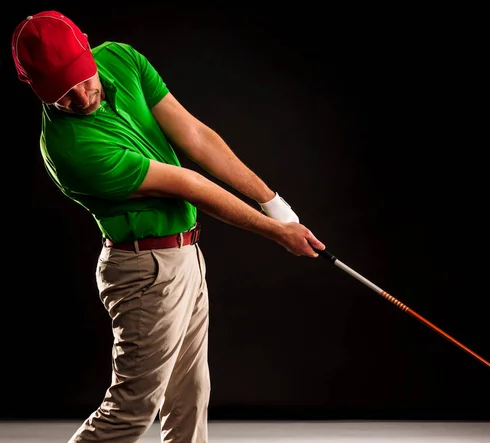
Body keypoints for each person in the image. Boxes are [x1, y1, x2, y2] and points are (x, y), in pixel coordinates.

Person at [12, 10, 326, 443]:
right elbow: (189, 184)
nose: (81, 98)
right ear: (35, 88)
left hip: (184, 256)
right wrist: (277, 233)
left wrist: (274, 203)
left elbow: (194, 136)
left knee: (191, 398)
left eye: (82, 79)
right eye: (61, 94)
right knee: (131, 411)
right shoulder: (70, 150)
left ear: (88, 48)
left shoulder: (121, 58)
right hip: (145, 271)